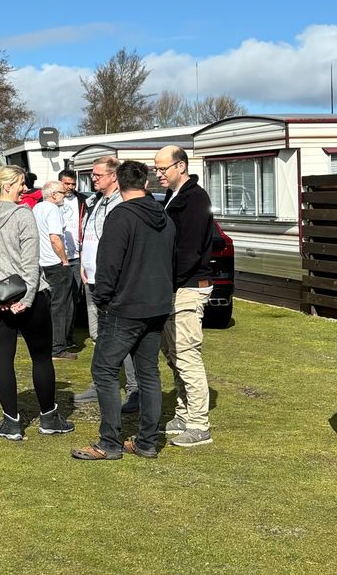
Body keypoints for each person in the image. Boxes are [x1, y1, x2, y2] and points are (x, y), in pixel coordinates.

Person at [71, 162, 173, 461]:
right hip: (156, 305)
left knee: (104, 370)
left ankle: (110, 442)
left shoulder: (121, 216)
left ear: (119, 181)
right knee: (148, 373)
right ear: (146, 182)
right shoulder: (164, 217)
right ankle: (146, 442)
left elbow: (109, 264)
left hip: (126, 306)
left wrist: (102, 299)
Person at [0, 165, 74, 441]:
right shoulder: (23, 215)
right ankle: (49, 417)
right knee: (41, 358)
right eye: (20, 184)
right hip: (28, 296)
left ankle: (11, 421)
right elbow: (30, 264)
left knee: (3, 359)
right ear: (7, 186)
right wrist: (26, 300)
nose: (24, 188)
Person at [154, 145, 215, 448]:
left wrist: (168, 281)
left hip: (189, 286)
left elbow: (188, 250)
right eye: (156, 169)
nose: (158, 174)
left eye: (162, 168)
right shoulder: (174, 196)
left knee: (187, 353)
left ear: (180, 166)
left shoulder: (195, 198)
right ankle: (183, 413)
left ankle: (199, 424)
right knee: (173, 352)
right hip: (174, 286)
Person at [72, 157, 140, 411]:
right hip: (92, 279)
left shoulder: (121, 204)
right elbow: (90, 237)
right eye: (93, 175)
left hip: (112, 282)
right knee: (98, 335)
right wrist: (83, 262)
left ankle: (134, 390)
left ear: (114, 176)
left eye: (98, 175)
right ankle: (99, 384)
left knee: (122, 337)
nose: (94, 179)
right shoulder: (95, 202)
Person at [32, 180, 77, 359]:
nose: (65, 194)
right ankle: (58, 347)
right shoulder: (52, 210)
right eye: (61, 191)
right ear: (53, 195)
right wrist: (64, 260)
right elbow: (55, 238)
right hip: (54, 263)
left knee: (46, 304)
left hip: (41, 262)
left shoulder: (37, 208)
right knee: (62, 305)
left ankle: (47, 342)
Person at [58, 169, 87, 347]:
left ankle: (68, 336)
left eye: (73, 184)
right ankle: (56, 337)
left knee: (74, 298)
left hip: (76, 256)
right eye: (66, 183)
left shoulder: (83, 201)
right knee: (58, 299)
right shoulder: (50, 200)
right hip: (56, 257)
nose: (70, 187)